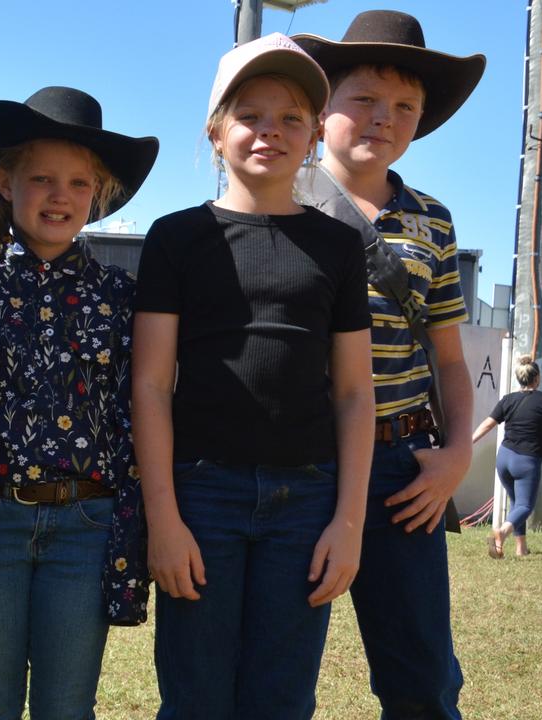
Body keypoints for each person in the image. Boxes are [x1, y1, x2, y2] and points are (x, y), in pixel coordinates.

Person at [132, 34, 375, 719]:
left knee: (282, 698)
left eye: (291, 117)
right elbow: (150, 385)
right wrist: (164, 520)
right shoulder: (176, 237)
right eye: (250, 115)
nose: (270, 131)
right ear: (216, 134)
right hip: (201, 494)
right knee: (195, 697)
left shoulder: (338, 244)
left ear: (314, 137)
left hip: (307, 503)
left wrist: (348, 524)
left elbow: (356, 394)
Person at [0, 85, 157, 719]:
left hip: (86, 526)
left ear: (97, 195)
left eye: (79, 184)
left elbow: (138, 417)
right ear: (5, 181)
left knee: (67, 704)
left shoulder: (122, 297)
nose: (61, 195)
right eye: (43, 178)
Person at [294, 11, 486, 716]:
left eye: (405, 106)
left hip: (404, 468)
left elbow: (449, 359)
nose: (385, 117)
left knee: (424, 675)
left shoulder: (433, 219)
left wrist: (457, 454)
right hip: (300, 463)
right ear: (321, 109)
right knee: (282, 674)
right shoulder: (280, 203)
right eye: (365, 99)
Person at [472, 357, 542, 558]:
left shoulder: (508, 400)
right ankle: (501, 533)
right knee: (525, 506)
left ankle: (521, 549)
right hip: (527, 461)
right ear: (536, 378)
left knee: (516, 503)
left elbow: (487, 424)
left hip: (504, 458)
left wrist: (469, 442)